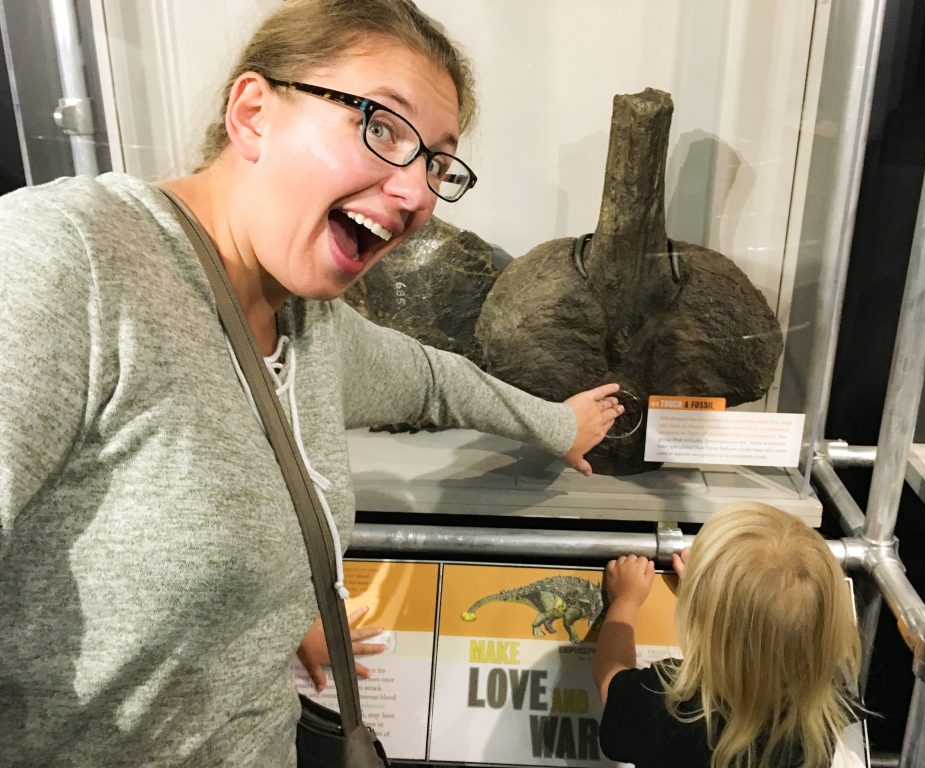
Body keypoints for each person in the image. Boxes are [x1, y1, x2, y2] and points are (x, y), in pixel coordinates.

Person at [0, 1, 625, 764]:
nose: (417, 194)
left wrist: (561, 425)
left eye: (435, 162)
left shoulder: (311, 329)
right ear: (254, 113)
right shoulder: (65, 260)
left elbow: (435, 380)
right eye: (383, 127)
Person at [594, 503, 862, 768]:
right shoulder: (824, 713)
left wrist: (625, 601)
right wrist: (712, 597)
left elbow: (610, 680)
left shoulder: (671, 706)